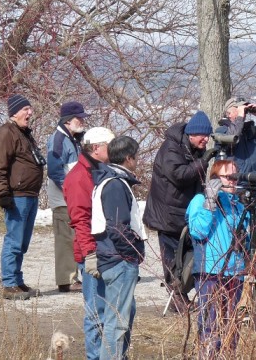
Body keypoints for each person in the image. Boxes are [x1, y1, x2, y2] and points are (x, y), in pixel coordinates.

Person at [143, 110, 217, 313]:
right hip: (167, 214)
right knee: (171, 257)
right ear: (191, 134)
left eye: (208, 136)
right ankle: (176, 298)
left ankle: (181, 295)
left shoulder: (193, 148)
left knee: (185, 256)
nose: (205, 139)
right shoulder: (171, 148)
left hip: (183, 211)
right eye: (202, 135)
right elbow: (179, 175)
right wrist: (204, 161)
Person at [185, 158, 250, 357]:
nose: (231, 181)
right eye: (226, 177)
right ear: (214, 178)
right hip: (210, 271)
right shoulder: (200, 200)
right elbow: (197, 231)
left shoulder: (239, 206)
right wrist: (210, 203)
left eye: (235, 177)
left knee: (231, 327)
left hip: (235, 272)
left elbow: (245, 242)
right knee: (210, 324)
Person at [91, 136, 146, 360]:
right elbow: (117, 227)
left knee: (118, 319)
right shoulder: (115, 184)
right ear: (128, 158)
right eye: (136, 156)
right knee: (117, 324)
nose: (138, 161)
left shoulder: (107, 180)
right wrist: (131, 253)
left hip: (114, 258)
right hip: (119, 260)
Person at [63, 126, 115, 360]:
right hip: (93, 252)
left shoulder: (102, 170)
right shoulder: (78, 177)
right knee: (95, 312)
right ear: (96, 148)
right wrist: (90, 253)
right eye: (110, 146)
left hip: (110, 249)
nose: (114, 150)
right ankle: (94, 357)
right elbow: (80, 219)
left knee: (112, 310)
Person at [0, 94, 44, 300]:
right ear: (14, 112)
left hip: (30, 195)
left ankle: (17, 281)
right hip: (17, 196)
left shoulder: (24, 133)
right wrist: (3, 194)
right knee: (14, 240)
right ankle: (9, 284)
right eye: (26, 109)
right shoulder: (6, 133)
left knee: (22, 242)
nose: (30, 113)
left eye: (30, 109)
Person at [47, 101, 89, 293]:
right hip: (64, 199)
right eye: (78, 118)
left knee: (74, 237)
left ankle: (74, 276)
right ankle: (66, 279)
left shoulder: (72, 138)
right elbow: (55, 172)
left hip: (72, 197)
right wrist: (70, 191)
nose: (82, 121)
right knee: (65, 239)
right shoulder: (58, 140)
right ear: (67, 121)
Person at [215, 97, 256, 175]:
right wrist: (239, 117)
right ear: (229, 113)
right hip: (234, 181)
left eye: (245, 110)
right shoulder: (221, 131)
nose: (244, 113)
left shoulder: (250, 131)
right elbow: (233, 137)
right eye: (239, 109)